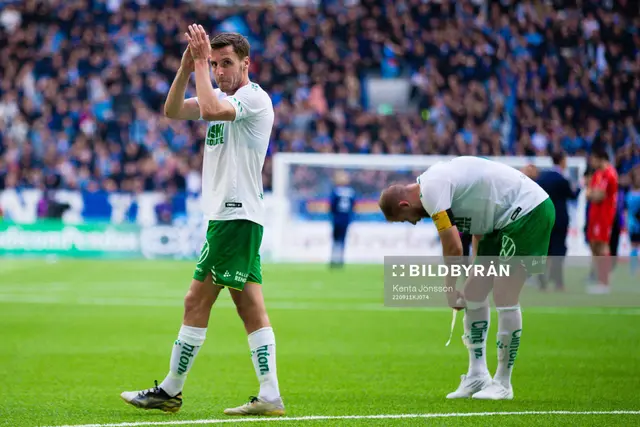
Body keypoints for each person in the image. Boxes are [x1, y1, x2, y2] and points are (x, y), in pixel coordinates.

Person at [120, 28, 285, 416]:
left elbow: (210, 110)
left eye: (226, 63)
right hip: (233, 216)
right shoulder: (222, 96)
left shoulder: (253, 98)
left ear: (247, 64)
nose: (219, 70)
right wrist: (185, 66)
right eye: (214, 63)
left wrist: (198, 62)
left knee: (196, 300)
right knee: (250, 309)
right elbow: (173, 110)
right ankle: (270, 395)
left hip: (234, 214)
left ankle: (170, 390)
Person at [378, 156, 554, 400]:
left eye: (406, 219)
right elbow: (477, 228)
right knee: (474, 292)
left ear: (404, 205)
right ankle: (477, 374)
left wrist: (449, 289)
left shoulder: (431, 191)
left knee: (504, 294)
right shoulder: (439, 190)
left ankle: (503, 382)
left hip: (527, 211)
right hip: (497, 222)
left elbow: (452, 247)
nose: (414, 222)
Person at [535, 151, 580, 291]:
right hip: (559, 220)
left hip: (544, 219)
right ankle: (558, 282)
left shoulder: (542, 177)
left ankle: (542, 278)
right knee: (558, 251)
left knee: (544, 250)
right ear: (561, 160)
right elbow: (572, 195)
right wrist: (579, 187)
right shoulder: (562, 179)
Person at [585, 149, 619, 294]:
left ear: (600, 158)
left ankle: (605, 282)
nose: (592, 162)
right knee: (594, 245)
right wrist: (592, 193)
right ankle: (600, 279)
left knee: (603, 245)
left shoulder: (609, 174)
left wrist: (592, 193)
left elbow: (599, 196)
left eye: (593, 159)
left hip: (605, 215)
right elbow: (589, 193)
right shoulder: (597, 174)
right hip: (594, 214)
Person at [329, 171, 356, 268]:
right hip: (346, 219)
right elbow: (353, 206)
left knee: (335, 240)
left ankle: (333, 260)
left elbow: (332, 206)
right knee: (342, 240)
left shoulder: (336, 191)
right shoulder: (351, 192)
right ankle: (340, 260)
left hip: (337, 219)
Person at [626, 170, 640, 275]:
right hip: (634, 224)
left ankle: (634, 269)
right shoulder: (630, 194)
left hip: (634, 224)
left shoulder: (629, 194)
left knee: (634, 246)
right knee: (634, 246)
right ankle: (634, 269)